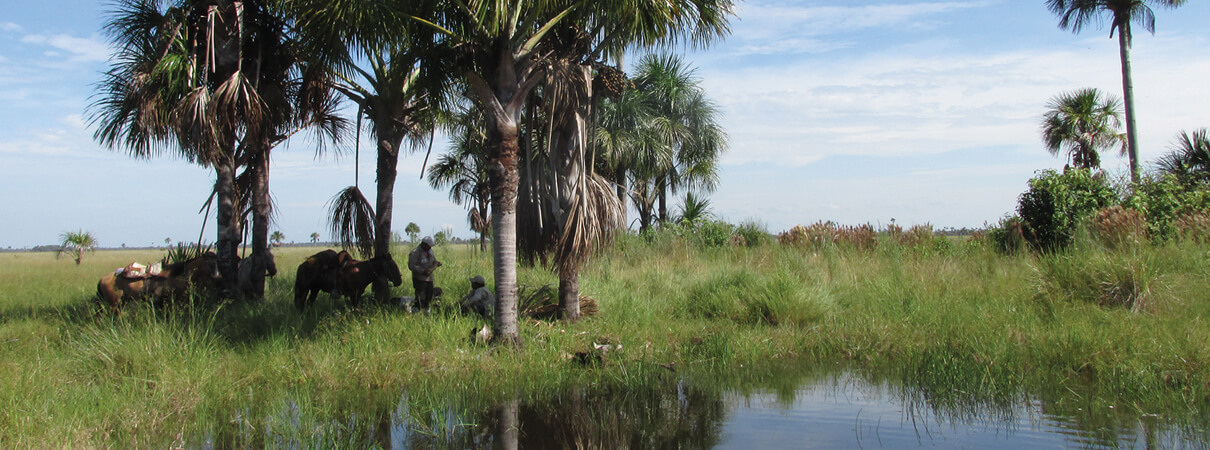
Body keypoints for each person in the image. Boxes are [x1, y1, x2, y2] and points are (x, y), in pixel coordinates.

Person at [408, 236, 442, 312]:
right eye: (428, 245)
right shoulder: (415, 252)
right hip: (419, 279)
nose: (430, 247)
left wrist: (436, 263)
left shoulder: (430, 251)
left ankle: (426, 313)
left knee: (429, 297)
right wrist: (423, 271)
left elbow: (433, 260)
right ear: (423, 244)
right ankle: (416, 312)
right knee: (420, 299)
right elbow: (412, 266)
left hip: (429, 279)